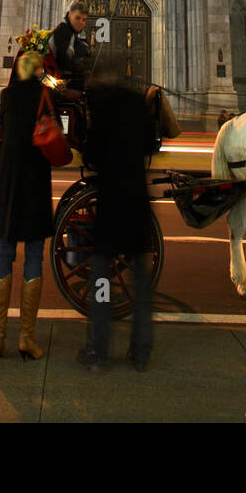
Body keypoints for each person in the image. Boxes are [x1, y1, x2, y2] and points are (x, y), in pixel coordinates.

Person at [78, 70, 157, 373]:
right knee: (141, 280)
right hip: (136, 205)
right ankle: (140, 353)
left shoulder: (104, 110)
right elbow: (151, 143)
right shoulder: (138, 104)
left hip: (110, 207)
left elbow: (92, 152)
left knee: (100, 278)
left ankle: (98, 351)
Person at [0, 49, 53, 360]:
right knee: (33, 255)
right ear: (38, 71)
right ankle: (26, 337)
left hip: (10, 179)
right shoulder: (44, 95)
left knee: (4, 249)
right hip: (35, 180)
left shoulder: (6, 96)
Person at [47, 1, 94, 90]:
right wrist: (85, 67)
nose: (80, 22)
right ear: (69, 15)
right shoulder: (63, 31)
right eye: (77, 18)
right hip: (62, 86)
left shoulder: (76, 33)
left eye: (84, 20)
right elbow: (65, 61)